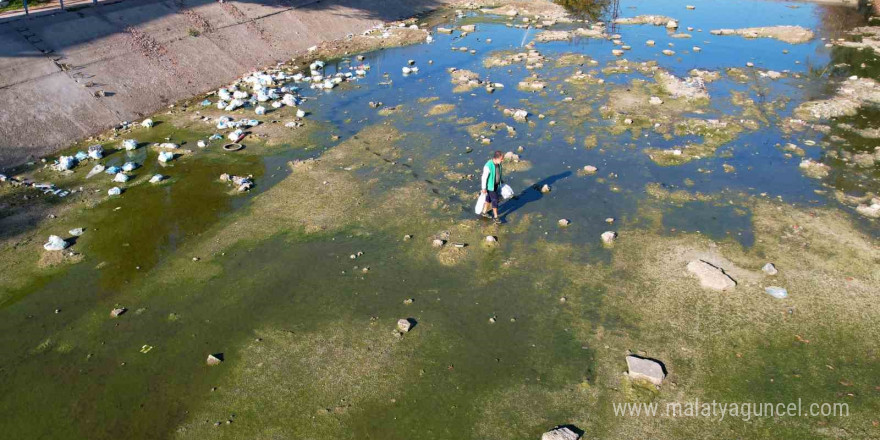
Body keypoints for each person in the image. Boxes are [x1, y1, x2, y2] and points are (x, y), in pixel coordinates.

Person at [480, 151, 504, 224]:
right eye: (501, 159)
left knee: (489, 199)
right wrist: (484, 188)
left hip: (496, 185)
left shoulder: (498, 164)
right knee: (495, 200)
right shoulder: (488, 166)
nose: (502, 160)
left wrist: (501, 180)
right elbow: (484, 178)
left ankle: (484, 212)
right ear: (496, 158)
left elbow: (498, 173)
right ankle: (496, 217)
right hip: (490, 187)